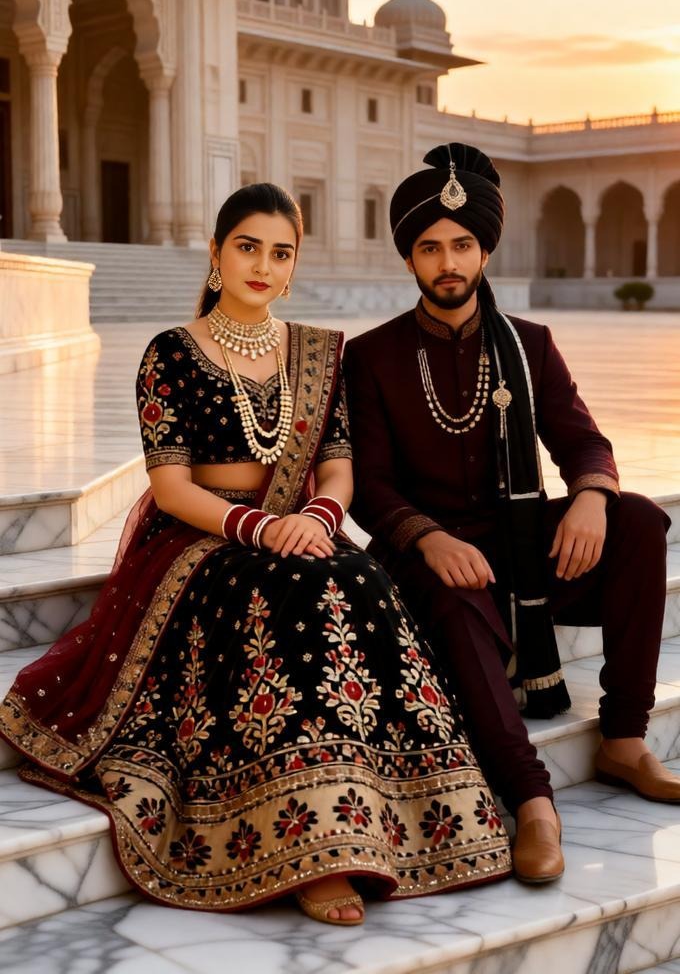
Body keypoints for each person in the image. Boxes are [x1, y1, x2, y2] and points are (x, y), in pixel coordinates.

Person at [0, 182, 511, 925]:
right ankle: (309, 844)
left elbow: (338, 463)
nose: (263, 266)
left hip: (303, 522)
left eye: (281, 252)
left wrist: (319, 516)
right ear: (215, 253)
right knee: (281, 594)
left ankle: (409, 811)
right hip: (201, 538)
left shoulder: (314, 352)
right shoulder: (169, 353)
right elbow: (171, 488)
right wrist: (263, 529)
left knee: (361, 579)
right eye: (247, 247)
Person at [343, 143, 674, 886]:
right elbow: (369, 485)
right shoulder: (372, 357)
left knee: (641, 524)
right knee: (459, 598)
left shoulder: (530, 345)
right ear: (410, 259)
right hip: (431, 566)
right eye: (430, 248)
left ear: (485, 248)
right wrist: (427, 538)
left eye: (462, 244)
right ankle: (532, 800)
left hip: (523, 555)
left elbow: (583, 439)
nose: (447, 261)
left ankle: (623, 739)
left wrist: (591, 495)